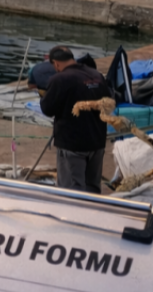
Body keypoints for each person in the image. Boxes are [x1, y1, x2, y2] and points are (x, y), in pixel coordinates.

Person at [39, 46, 110, 194]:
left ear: (56, 63)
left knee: (71, 192)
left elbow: (47, 109)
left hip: (73, 146)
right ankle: (92, 217)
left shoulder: (60, 79)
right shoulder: (96, 75)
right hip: (97, 143)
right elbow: (108, 103)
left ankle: (73, 216)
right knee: (93, 190)